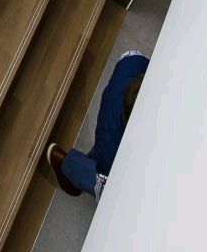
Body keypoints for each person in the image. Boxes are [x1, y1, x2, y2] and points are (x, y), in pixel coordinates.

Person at [47, 51, 150, 201]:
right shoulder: (110, 144)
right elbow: (107, 181)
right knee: (108, 184)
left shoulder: (134, 64)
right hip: (110, 144)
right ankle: (68, 167)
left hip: (114, 116)